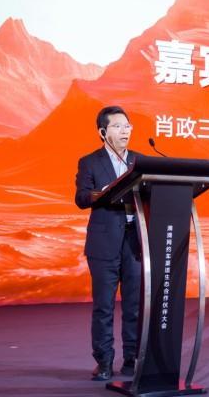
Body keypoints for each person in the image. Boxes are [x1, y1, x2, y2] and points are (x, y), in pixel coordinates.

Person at [75, 106, 142, 381]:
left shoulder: (140, 161)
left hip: (135, 241)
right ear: (103, 132)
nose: (125, 131)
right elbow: (81, 198)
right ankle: (104, 361)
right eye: (117, 126)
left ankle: (132, 359)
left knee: (134, 305)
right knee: (104, 306)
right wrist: (101, 194)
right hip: (104, 243)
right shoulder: (90, 162)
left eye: (127, 126)